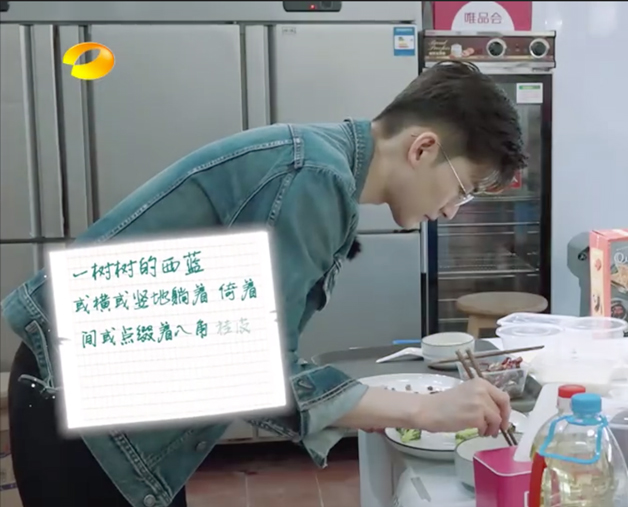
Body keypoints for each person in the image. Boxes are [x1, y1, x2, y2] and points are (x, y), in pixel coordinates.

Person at [1, 61, 526, 507]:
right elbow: (260, 373)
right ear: (423, 148)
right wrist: (423, 409)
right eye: (463, 189)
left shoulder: (319, 162)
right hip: (81, 411)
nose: (452, 211)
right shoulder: (315, 177)